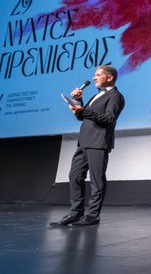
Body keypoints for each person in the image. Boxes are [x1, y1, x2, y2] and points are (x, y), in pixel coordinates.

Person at [50, 65, 125, 227]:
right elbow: (84, 117)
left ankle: (92, 216)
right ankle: (75, 213)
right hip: (84, 141)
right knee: (75, 175)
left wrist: (84, 111)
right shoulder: (96, 96)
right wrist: (78, 103)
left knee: (96, 180)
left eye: (98, 75)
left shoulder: (116, 96)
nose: (94, 78)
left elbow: (109, 119)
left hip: (98, 142)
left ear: (110, 77)